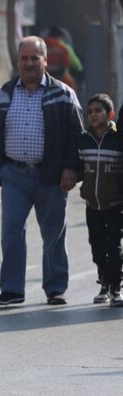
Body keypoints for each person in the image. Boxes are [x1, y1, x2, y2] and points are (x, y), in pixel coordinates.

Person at [0, 36, 84, 306]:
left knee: (53, 234)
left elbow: (76, 135)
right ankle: (12, 290)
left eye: (34, 58)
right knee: (11, 233)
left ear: (45, 61)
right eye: (24, 58)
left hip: (52, 176)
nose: (29, 63)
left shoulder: (63, 94)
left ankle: (55, 288)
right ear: (18, 61)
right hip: (14, 175)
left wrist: (70, 168)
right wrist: (0, 168)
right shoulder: (3, 94)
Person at [77, 94, 123, 306]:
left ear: (110, 114)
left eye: (98, 111)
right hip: (92, 206)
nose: (93, 115)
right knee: (97, 247)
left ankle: (116, 287)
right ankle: (103, 282)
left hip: (115, 205)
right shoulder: (83, 139)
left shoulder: (118, 140)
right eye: (90, 112)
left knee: (114, 247)